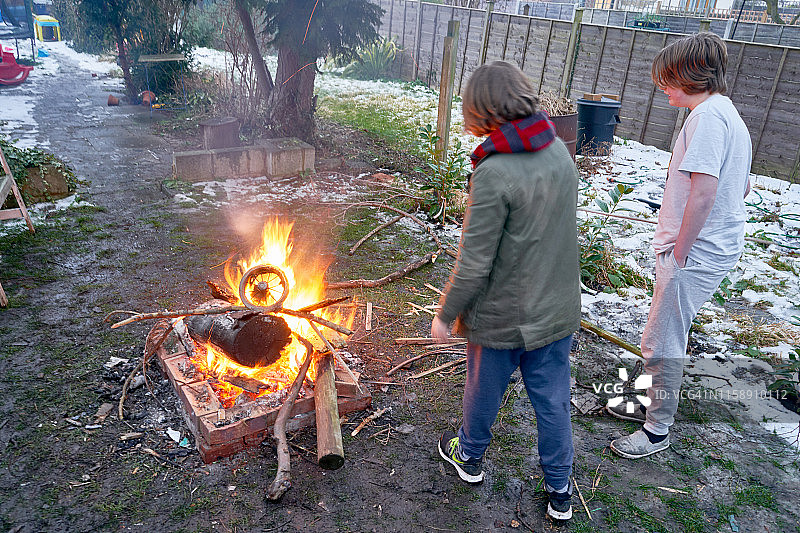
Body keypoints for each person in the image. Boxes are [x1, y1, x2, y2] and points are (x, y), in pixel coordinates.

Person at [431, 61, 581, 521]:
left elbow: (475, 261)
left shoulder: (494, 172)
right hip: (556, 311)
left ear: (483, 109)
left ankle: (469, 456)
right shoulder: (557, 150)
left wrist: (445, 313)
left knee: (483, 389)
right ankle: (559, 488)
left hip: (503, 317)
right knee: (553, 401)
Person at [608, 33, 752, 459]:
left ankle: (656, 429)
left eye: (667, 80)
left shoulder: (707, 118)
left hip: (696, 252)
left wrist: (680, 251)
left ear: (690, 75)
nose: (663, 88)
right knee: (667, 332)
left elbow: (705, 192)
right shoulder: (728, 113)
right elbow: (741, 186)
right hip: (716, 245)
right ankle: (652, 404)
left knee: (662, 339)